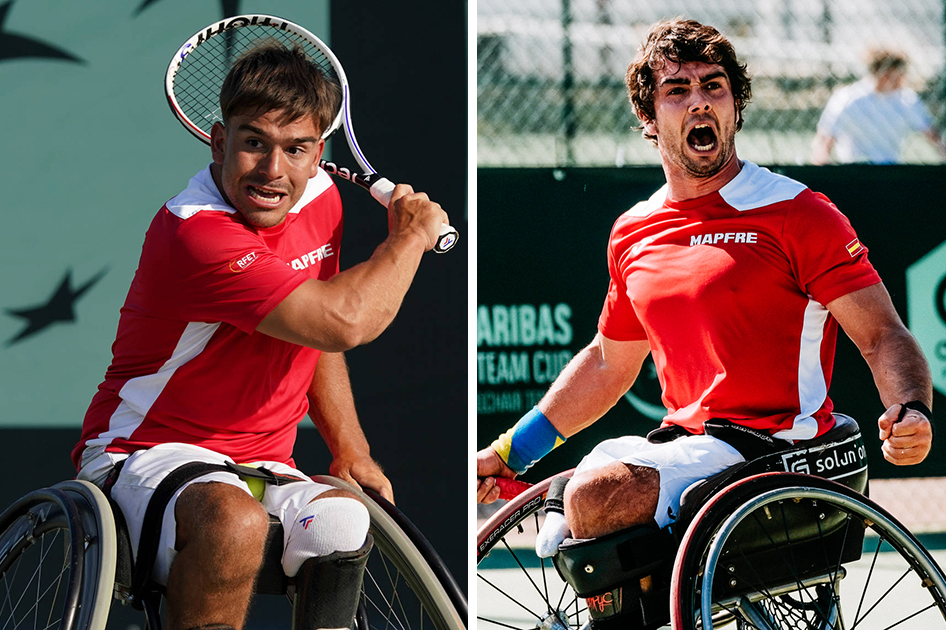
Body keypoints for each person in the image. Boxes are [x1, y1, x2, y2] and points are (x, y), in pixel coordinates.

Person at [477, 14, 932, 578]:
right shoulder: (633, 230)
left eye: (713, 86)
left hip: (776, 453)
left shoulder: (799, 213)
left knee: (595, 496)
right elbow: (606, 363)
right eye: (677, 90)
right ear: (649, 116)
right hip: (688, 451)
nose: (699, 101)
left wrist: (911, 408)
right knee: (574, 503)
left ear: (735, 106)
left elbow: (882, 333)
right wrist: (506, 454)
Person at [73, 43, 449, 630]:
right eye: (254, 143)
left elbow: (309, 334)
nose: (273, 171)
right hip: (143, 452)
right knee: (233, 522)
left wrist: (351, 450)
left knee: (345, 523)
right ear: (220, 142)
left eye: (295, 149)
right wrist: (409, 239)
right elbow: (342, 322)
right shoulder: (194, 234)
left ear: (319, 153)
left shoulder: (321, 198)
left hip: (266, 460)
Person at [812, 47, 946, 164]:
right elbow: (825, 137)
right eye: (893, 74)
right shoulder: (848, 99)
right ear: (880, 73)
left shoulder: (907, 100)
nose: (900, 79)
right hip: (855, 171)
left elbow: (931, 134)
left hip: (890, 170)